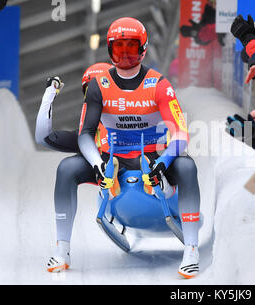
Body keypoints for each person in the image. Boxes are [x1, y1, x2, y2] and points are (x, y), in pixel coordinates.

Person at [77, 17, 201, 279]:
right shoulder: (99, 86)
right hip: (115, 157)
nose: (124, 55)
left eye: (130, 48)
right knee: (78, 168)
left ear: (142, 49)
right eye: (118, 48)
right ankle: (113, 191)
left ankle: (191, 248)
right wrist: (96, 164)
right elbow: (84, 134)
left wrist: (164, 162)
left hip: (153, 154)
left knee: (187, 166)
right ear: (110, 50)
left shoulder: (159, 85)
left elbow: (180, 132)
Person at [35, 62, 113, 273]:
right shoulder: (85, 131)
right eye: (90, 90)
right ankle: (62, 248)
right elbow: (43, 137)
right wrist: (49, 95)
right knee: (67, 168)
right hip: (103, 169)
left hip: (131, 168)